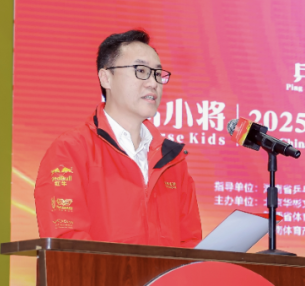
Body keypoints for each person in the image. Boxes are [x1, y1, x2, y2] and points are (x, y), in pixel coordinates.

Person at [34, 30, 202, 247]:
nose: (153, 83)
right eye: (141, 71)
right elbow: (66, 241)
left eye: (157, 74)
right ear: (106, 78)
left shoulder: (173, 161)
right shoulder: (70, 150)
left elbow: (191, 243)